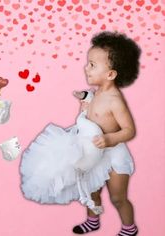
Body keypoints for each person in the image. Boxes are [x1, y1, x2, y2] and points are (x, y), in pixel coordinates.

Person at [72, 31, 141, 236]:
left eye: (92, 65)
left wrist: (110, 138)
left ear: (111, 74)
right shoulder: (99, 91)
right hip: (93, 150)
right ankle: (93, 220)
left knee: (117, 197)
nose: (86, 67)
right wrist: (85, 98)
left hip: (113, 154)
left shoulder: (115, 100)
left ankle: (129, 227)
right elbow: (93, 104)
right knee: (91, 189)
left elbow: (130, 130)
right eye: (88, 62)